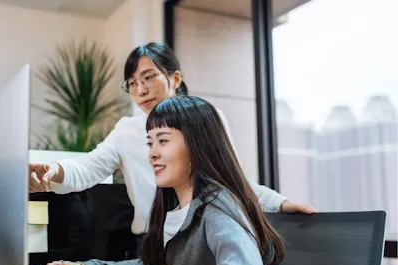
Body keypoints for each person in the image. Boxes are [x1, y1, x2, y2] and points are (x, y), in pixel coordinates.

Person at [29, 42, 315, 251]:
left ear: (175, 78)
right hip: (150, 241)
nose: (140, 90)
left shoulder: (203, 118)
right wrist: (52, 170)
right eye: (132, 83)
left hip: (201, 237)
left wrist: (279, 203)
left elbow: (231, 177)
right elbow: (89, 168)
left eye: (149, 77)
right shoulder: (127, 130)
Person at [42, 96, 285, 265]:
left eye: (163, 140)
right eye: (150, 143)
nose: (152, 153)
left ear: (197, 145)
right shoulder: (174, 206)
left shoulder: (219, 207)